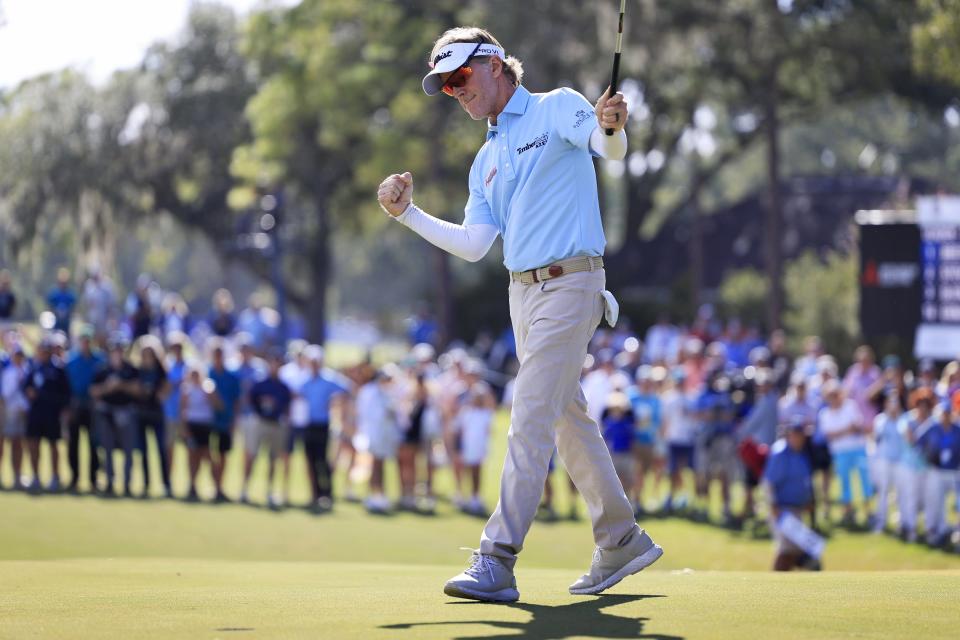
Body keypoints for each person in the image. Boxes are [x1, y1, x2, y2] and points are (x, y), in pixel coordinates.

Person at [378, 26, 660, 602]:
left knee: (529, 415)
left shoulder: (558, 107)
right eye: (447, 86)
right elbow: (477, 243)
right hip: (521, 294)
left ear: (496, 64)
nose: (457, 92)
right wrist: (409, 215)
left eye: (461, 77)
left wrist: (612, 127)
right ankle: (621, 537)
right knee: (564, 418)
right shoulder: (485, 158)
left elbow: (606, 148)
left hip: (572, 282)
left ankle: (497, 557)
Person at [763, 419, 817, 571]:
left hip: (797, 509)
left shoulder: (802, 454)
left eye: (800, 435)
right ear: (788, 435)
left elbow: (804, 481)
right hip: (781, 510)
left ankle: (788, 584)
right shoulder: (780, 453)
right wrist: (773, 505)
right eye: (794, 435)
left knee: (797, 549)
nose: (797, 438)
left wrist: (808, 501)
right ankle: (776, 583)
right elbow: (768, 482)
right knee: (786, 548)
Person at [299, 345, 347, 512]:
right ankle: (314, 494)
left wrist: (337, 404)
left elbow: (347, 390)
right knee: (310, 461)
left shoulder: (329, 378)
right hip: (307, 425)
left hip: (322, 425)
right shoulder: (303, 380)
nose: (314, 364)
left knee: (323, 461)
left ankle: (327, 494)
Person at [819, 380, 873, 528]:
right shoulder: (825, 414)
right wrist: (846, 430)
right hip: (840, 452)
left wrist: (842, 432)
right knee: (845, 482)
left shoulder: (850, 405)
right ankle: (848, 511)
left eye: (836, 394)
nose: (834, 397)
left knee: (864, 480)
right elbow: (829, 435)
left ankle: (868, 511)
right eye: (831, 395)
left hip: (858, 448)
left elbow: (857, 427)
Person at [90, 339, 140, 496]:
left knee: (128, 450)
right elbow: (93, 391)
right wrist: (108, 387)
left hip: (126, 412)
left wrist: (121, 385)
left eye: (120, 349)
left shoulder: (130, 369)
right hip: (107, 413)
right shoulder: (103, 369)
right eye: (114, 350)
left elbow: (138, 389)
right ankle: (110, 482)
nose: (117, 353)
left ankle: (126, 484)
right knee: (108, 449)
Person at [23, 340, 72, 492]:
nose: (43, 354)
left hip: (52, 414)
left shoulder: (58, 368)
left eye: (45, 351)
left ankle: (55, 477)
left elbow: (65, 393)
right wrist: (29, 392)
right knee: (33, 445)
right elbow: (26, 386)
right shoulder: (34, 367)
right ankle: (36, 477)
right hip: (36, 413)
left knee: (53, 445)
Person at [244, 352, 292, 508]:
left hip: (276, 425)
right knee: (252, 456)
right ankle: (245, 489)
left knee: (273, 459)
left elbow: (286, 406)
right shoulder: (260, 384)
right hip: (260, 423)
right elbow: (250, 399)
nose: (275, 367)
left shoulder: (283, 387)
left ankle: (269, 491)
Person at [356, 366, 401, 514]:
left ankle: (378, 494)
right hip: (373, 434)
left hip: (384, 435)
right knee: (375, 465)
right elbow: (368, 415)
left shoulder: (387, 392)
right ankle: (375, 495)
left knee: (380, 465)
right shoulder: (369, 392)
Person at [65, 328, 104, 493]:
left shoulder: (99, 360)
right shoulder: (71, 361)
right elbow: (66, 386)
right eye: (83, 340)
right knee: (73, 444)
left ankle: (93, 479)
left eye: (88, 340)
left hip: (92, 407)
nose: (86, 344)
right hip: (75, 406)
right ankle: (74, 478)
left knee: (93, 444)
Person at [916, 401, 960, 546]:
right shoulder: (932, 428)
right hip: (937, 471)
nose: (945, 417)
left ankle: (956, 531)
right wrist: (928, 458)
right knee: (936, 501)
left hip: (954, 471)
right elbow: (918, 441)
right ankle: (938, 530)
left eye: (947, 414)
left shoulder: (956, 429)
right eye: (943, 414)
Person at [898, 388, 935, 542]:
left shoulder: (933, 422)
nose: (923, 408)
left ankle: (929, 530)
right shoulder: (907, 419)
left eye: (926, 405)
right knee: (911, 498)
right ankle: (911, 528)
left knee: (928, 499)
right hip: (910, 466)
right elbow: (910, 439)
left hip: (927, 466)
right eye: (921, 404)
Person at [135, 341, 171, 498]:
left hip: (156, 414)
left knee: (161, 449)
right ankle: (146, 482)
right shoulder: (138, 370)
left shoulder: (161, 370)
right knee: (143, 451)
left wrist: (160, 394)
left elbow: (167, 387)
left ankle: (166, 483)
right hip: (142, 414)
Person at [179, 365, 220, 502]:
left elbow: (217, 405)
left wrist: (210, 395)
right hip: (192, 426)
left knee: (207, 457)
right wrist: (185, 429)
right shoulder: (187, 389)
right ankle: (192, 486)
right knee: (192, 457)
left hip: (205, 426)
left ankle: (216, 487)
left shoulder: (208, 386)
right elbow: (183, 410)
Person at [456, 381, 496, 517]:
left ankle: (475, 497)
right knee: (466, 472)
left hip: (479, 448)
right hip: (467, 448)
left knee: (476, 472)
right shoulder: (466, 412)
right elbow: (461, 431)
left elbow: (488, 431)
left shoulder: (486, 414)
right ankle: (464, 496)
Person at [208, 343, 241, 502]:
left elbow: (236, 401)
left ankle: (219, 487)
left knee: (222, 456)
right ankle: (213, 486)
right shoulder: (206, 373)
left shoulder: (232, 377)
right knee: (206, 455)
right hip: (206, 421)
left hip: (225, 422)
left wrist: (234, 421)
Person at [871, 391, 904, 534]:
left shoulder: (903, 420)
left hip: (899, 461)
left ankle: (901, 522)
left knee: (900, 493)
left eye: (895, 402)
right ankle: (881, 522)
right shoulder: (880, 420)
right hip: (883, 461)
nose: (893, 405)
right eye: (891, 402)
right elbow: (877, 438)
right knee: (883, 492)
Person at [1, 345, 29, 489]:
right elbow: (5, 394)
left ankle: (17, 477)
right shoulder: (8, 372)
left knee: (17, 444)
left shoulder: (26, 370)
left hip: (21, 413)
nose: (18, 358)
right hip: (6, 412)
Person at [47, 267, 77, 336]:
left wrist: (68, 312)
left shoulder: (70, 294)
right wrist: (55, 311)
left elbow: (73, 307)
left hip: (67, 322)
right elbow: (50, 306)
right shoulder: (54, 293)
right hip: (56, 322)